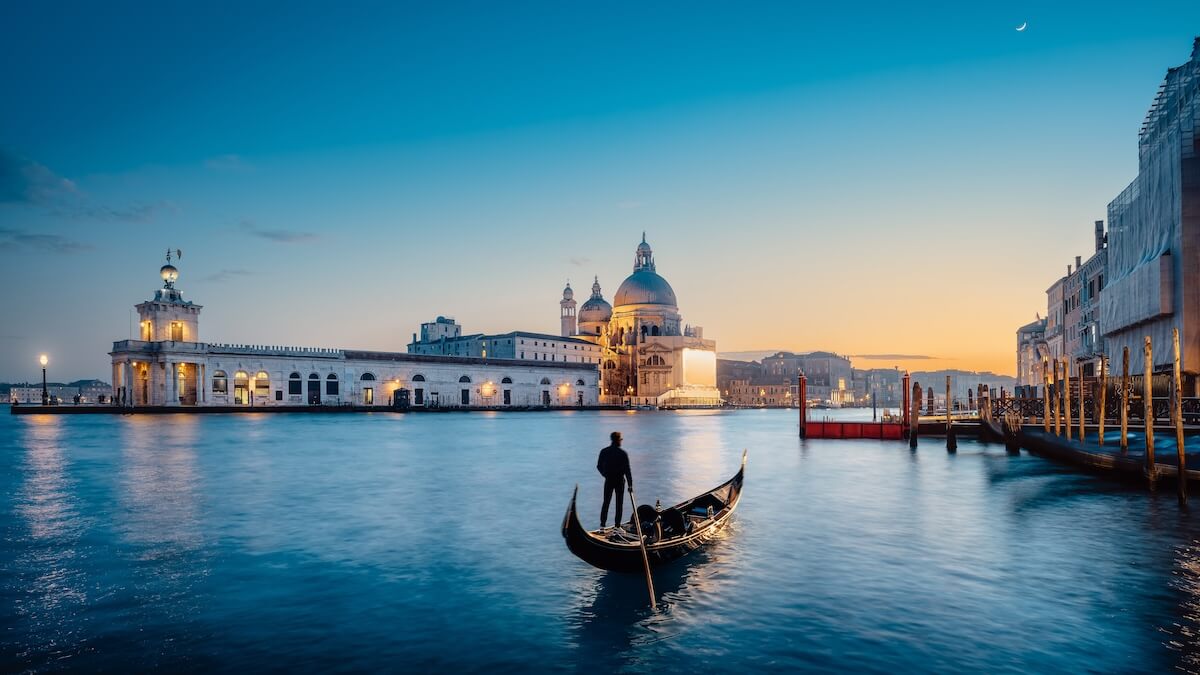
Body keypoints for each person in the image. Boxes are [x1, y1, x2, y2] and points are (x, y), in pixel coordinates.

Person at [597, 431, 633, 529]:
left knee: (606, 502)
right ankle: (617, 527)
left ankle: (602, 526)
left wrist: (605, 475)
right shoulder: (622, 453)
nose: (621, 441)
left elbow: (599, 466)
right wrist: (630, 485)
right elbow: (627, 470)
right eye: (621, 440)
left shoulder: (604, 451)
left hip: (608, 480)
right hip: (619, 481)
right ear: (618, 440)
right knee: (619, 504)